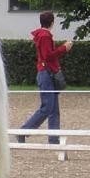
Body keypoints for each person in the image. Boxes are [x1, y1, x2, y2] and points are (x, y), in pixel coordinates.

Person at [18, 11, 73, 145]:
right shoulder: (45, 35)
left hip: (45, 73)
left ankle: (53, 138)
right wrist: (64, 48)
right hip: (46, 74)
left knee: (53, 108)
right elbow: (48, 56)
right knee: (48, 107)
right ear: (52, 22)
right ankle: (24, 131)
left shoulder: (41, 35)